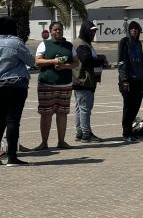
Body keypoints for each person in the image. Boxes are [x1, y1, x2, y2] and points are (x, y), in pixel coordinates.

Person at [34, 21, 76, 150]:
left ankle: (61, 141)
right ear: (51, 31)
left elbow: (76, 63)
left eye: (60, 29)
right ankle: (44, 143)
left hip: (65, 84)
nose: (58, 32)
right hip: (47, 84)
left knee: (62, 114)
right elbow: (37, 61)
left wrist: (64, 66)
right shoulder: (44, 44)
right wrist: (53, 61)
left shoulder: (69, 46)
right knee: (46, 114)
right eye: (55, 30)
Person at [0, 17, 35, 166]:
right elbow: (31, 61)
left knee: (0, 121)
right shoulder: (16, 42)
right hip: (15, 85)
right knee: (13, 121)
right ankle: (12, 157)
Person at [73, 20, 108, 143]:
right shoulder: (81, 44)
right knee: (84, 109)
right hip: (83, 80)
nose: (93, 34)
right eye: (91, 32)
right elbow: (87, 59)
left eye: (94, 32)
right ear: (85, 31)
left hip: (82, 80)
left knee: (79, 108)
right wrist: (101, 59)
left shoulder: (84, 43)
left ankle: (80, 133)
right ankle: (86, 134)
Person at [118, 21, 143, 142]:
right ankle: (126, 132)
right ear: (129, 31)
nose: (134, 31)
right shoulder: (124, 42)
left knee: (136, 106)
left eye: (137, 29)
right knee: (128, 107)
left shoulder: (138, 43)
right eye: (132, 29)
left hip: (139, 80)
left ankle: (131, 130)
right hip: (128, 80)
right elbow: (122, 62)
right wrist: (124, 80)